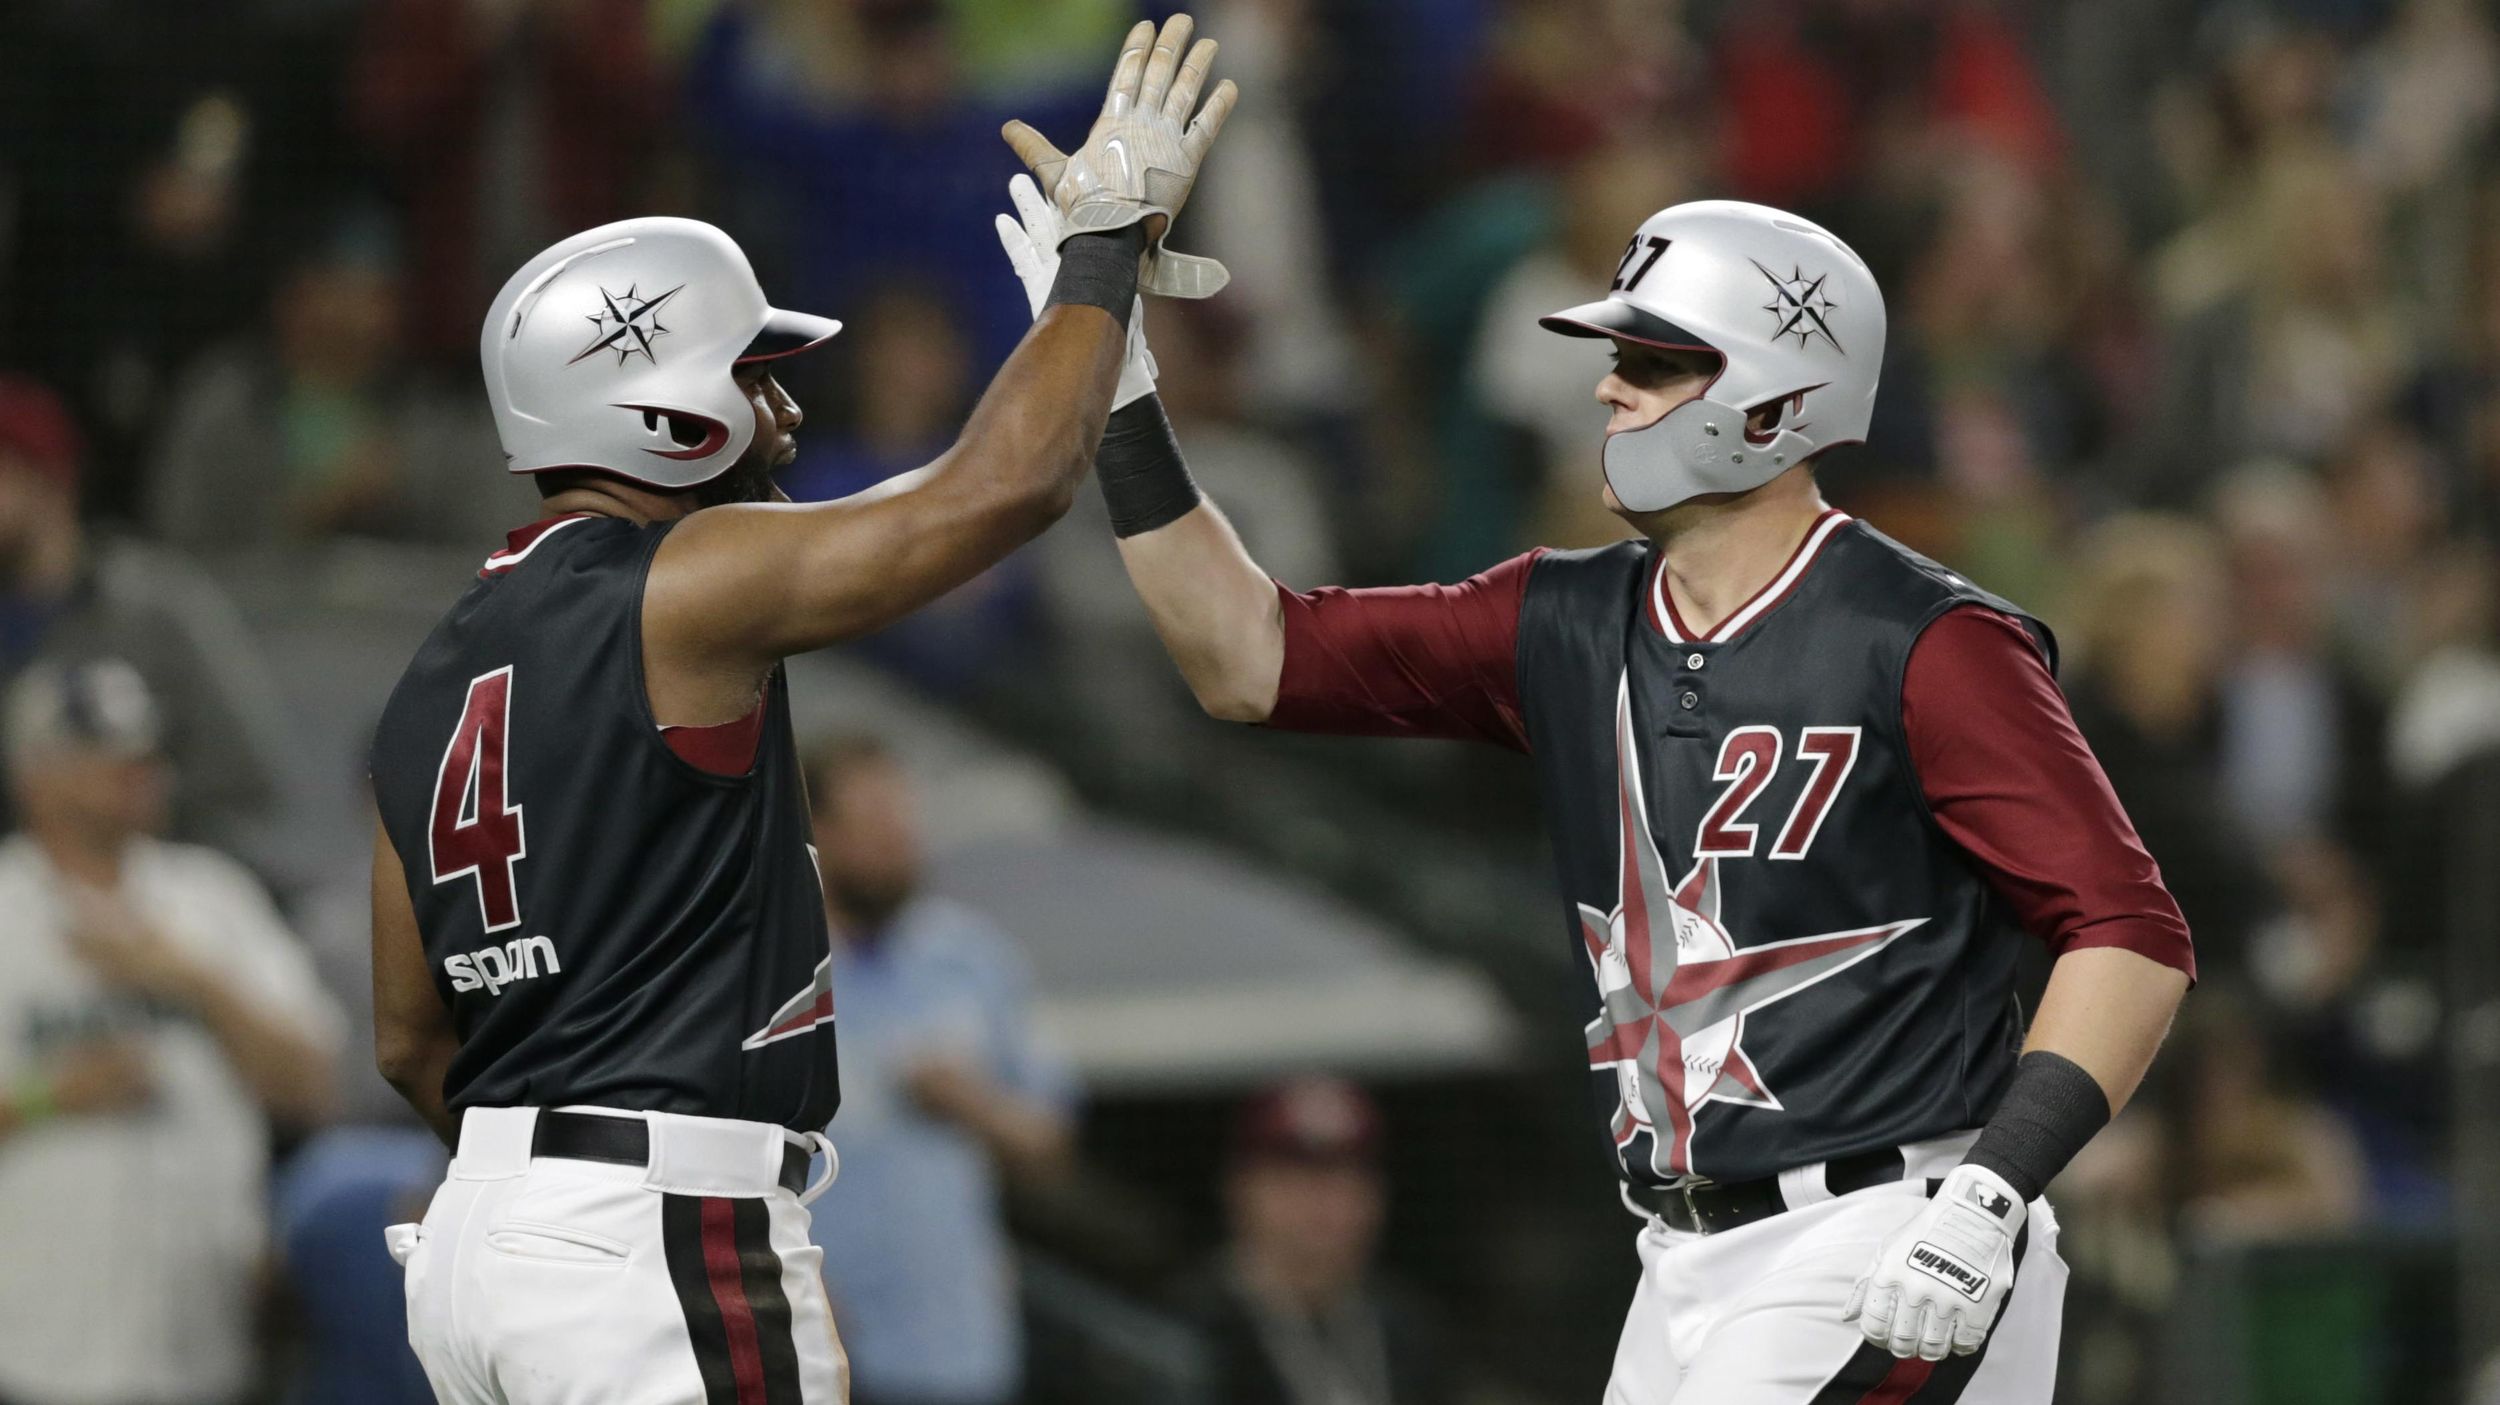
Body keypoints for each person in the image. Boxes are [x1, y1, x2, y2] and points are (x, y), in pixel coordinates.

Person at [997, 195, 2196, 1400]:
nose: (1608, 391)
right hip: (1682, 1257)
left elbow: (2130, 936)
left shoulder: (1928, 638)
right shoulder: (1563, 615)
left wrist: (1993, 1190)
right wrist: (1118, 373)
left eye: (1654, 363)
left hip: (1887, 1230)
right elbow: (1242, 655)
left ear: (1777, 399)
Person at [364, 18, 1235, 1404]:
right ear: (652, 407)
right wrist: (1102, 256)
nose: (781, 409)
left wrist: (551, 1172)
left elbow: (411, 1039)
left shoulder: (435, 670)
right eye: (751, 374)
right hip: (650, 1223)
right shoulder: (683, 580)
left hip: (484, 1239)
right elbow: (995, 494)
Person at [0, 658, 342, 1405]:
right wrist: (49, 1094)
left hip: (204, 1345)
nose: (137, 771)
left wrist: (191, 980)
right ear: (36, 773)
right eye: (106, 753)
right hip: (36, 1348)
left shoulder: (214, 898)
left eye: (145, 753)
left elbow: (314, 1088)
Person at [802, 735, 1078, 1405]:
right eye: (873, 822)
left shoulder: (971, 959)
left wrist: (968, 1102)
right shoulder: (775, 969)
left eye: (904, 819)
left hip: (956, 1343)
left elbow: (1050, 1139)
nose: (898, 842)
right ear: (818, 832)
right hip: (816, 1335)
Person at [0, 374, 291, 850]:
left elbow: (244, 781)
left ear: (48, 480)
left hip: (148, 884)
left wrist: (122, 800)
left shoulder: (154, 606)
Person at [1179, 1076, 1455, 1405]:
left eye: (1347, 1181)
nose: (1325, 1205)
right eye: (1298, 1181)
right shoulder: (1190, 1326)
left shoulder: (1407, 1329)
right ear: (1242, 1188)